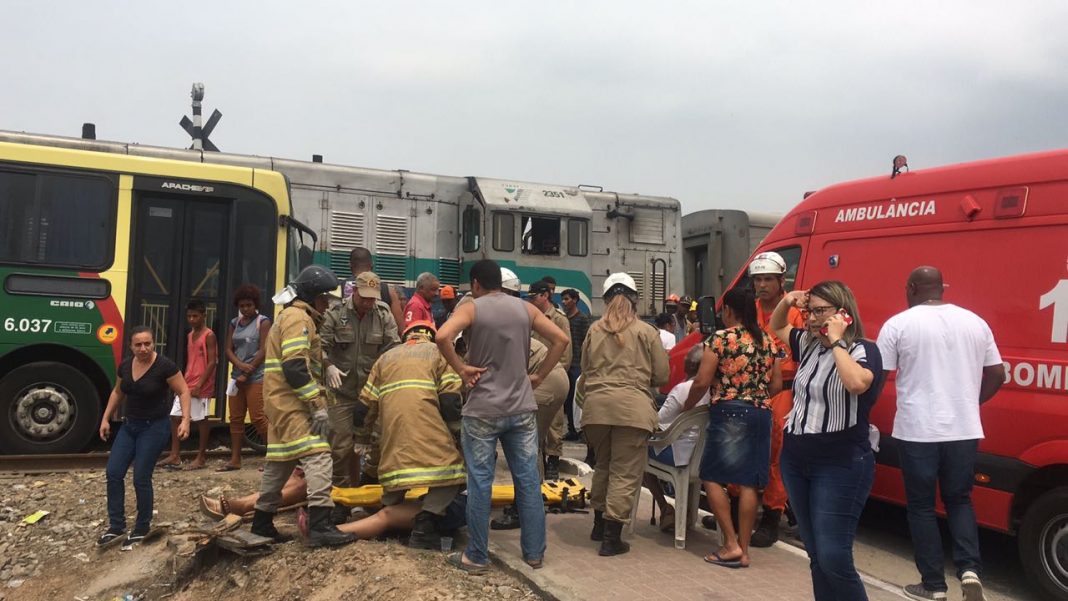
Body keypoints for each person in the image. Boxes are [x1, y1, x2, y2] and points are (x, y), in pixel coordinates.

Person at [877, 266, 1004, 601]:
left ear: (912, 288)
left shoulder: (899, 324)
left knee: (921, 506)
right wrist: (970, 403)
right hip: (963, 429)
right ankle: (970, 570)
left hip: (917, 431)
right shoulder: (975, 322)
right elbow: (997, 374)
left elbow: (878, 375)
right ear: (941, 288)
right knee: (959, 500)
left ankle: (933, 585)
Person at [436, 259, 569, 573]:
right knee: (528, 481)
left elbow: (442, 337)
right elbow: (561, 341)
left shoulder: (472, 308)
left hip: (482, 410)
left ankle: (476, 556)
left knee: (480, 482)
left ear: (476, 284)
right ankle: (534, 553)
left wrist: (461, 369)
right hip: (521, 408)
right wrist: (539, 376)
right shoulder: (526, 309)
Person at [770, 281, 885, 600]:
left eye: (820, 312)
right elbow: (776, 325)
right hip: (796, 459)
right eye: (809, 311)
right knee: (817, 556)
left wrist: (836, 341)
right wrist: (788, 301)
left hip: (840, 463)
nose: (810, 319)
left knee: (834, 557)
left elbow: (856, 383)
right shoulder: (807, 343)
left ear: (843, 313)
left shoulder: (863, 350)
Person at [252, 265, 356, 548]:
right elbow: (295, 366)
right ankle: (320, 525)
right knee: (319, 455)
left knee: (280, 461)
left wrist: (326, 364)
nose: (327, 304)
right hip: (293, 404)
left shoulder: (289, 316)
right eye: (325, 298)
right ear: (313, 296)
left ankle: (261, 523)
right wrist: (317, 405)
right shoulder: (300, 319)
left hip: (279, 403)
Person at [683, 287, 781, 568]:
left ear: (727, 310)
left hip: (729, 412)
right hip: (762, 413)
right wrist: (755, 396)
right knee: (749, 482)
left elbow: (702, 381)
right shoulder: (767, 340)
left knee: (711, 475)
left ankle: (729, 544)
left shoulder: (720, 339)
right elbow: (776, 384)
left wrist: (687, 406)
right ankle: (744, 550)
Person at [577, 273, 670, 556]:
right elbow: (662, 375)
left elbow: (585, 368)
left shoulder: (594, 330)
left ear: (606, 300)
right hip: (633, 410)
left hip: (595, 409)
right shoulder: (646, 331)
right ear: (635, 300)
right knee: (625, 472)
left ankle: (597, 525)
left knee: (603, 465)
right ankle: (611, 537)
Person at [358, 319, 465, 549]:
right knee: (452, 473)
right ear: (431, 335)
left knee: (396, 474)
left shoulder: (385, 358)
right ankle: (425, 525)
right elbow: (450, 401)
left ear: (406, 335)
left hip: (392, 436)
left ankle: (389, 515)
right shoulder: (440, 353)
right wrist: (458, 435)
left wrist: (361, 438)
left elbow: (364, 406)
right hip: (428, 430)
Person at [97, 326, 191, 548]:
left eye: (147, 343)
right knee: (113, 473)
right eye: (138, 344)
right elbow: (118, 392)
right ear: (131, 346)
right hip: (130, 426)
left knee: (141, 476)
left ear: (153, 343)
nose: (143, 348)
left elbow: (183, 391)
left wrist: (185, 419)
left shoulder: (164, 366)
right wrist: (105, 418)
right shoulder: (125, 366)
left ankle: (142, 526)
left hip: (154, 427)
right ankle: (116, 526)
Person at [320, 270, 399, 520]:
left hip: (371, 395)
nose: (368, 303)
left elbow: (393, 349)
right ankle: (340, 500)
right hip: (341, 392)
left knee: (377, 446)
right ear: (354, 292)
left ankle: (369, 496)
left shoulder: (383, 315)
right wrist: (327, 365)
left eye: (372, 298)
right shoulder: (336, 313)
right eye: (364, 297)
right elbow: (318, 346)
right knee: (341, 448)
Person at [749, 251, 806, 547]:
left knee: (776, 454)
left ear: (781, 280)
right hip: (751, 389)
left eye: (768, 279)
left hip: (783, 389)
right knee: (744, 450)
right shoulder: (750, 310)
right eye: (758, 279)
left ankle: (772, 518)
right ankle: (738, 510)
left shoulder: (795, 314)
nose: (762, 285)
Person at [643, 345, 709, 531]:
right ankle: (685, 513)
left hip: (679, 455)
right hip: (703, 456)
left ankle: (665, 508)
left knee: (639, 453)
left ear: (691, 365)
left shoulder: (682, 389)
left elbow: (657, 421)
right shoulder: (715, 390)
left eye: (686, 359)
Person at [160, 300, 217, 470]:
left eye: (195, 316)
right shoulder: (190, 335)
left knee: (201, 419)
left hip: (201, 383)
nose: (192, 319)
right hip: (187, 381)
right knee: (175, 416)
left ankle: (201, 457)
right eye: (189, 316)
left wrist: (200, 384)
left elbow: (212, 362)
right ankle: (175, 455)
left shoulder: (209, 335)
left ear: (204, 316)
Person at [220, 285, 271, 471]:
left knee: (258, 418)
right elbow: (228, 349)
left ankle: (273, 458)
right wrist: (240, 366)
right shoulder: (234, 323)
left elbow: (264, 350)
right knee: (235, 419)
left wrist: (247, 371)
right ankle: (235, 459)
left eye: (249, 305)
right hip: (237, 377)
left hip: (257, 376)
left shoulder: (263, 322)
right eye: (242, 306)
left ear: (255, 304)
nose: (245, 309)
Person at [527, 278, 572, 481]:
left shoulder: (559, 319)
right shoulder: (531, 317)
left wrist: (548, 373)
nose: (531, 301)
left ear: (545, 296)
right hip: (533, 373)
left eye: (534, 297)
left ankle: (553, 458)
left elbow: (565, 353)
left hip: (551, 373)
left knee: (555, 424)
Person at [346, 246, 405, 329]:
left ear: (349, 265)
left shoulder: (338, 288)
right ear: (372, 265)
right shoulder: (389, 291)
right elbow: (401, 329)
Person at [560, 288, 589, 441]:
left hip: (577, 363)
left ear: (575, 300)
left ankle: (578, 429)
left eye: (567, 299)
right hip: (566, 362)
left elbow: (586, 342)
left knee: (575, 399)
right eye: (563, 299)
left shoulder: (582, 319)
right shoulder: (564, 319)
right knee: (566, 399)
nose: (564, 302)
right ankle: (571, 428)